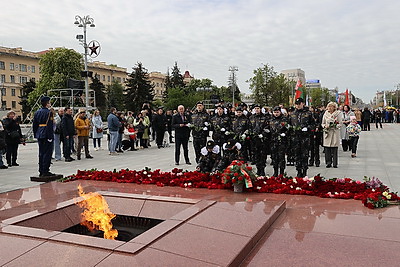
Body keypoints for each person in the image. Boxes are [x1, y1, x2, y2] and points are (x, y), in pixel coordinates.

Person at [288, 98, 315, 178]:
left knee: (305, 155)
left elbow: (313, 124)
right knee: (297, 155)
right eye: (296, 104)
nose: (298, 105)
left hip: (305, 138)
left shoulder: (308, 113)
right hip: (295, 137)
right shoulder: (292, 114)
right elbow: (289, 124)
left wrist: (308, 128)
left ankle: (304, 170)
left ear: (303, 103)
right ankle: (298, 170)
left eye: (299, 104)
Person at [32, 96, 55, 177]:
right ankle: (45, 170)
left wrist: (36, 133)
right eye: (49, 102)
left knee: (41, 153)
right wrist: (50, 136)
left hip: (39, 133)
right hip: (46, 133)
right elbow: (49, 125)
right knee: (47, 153)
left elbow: (34, 124)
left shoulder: (37, 112)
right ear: (47, 103)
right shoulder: (49, 112)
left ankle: (41, 170)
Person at [249, 104, 269, 176]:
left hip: (262, 140)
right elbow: (249, 127)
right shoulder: (251, 118)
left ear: (260, 109)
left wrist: (263, 134)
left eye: (258, 108)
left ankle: (262, 169)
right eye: (255, 108)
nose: (257, 110)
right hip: (254, 140)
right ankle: (258, 169)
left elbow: (267, 127)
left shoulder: (265, 117)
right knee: (256, 155)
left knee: (263, 155)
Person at [269, 106, 289, 177]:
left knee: (281, 157)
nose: (276, 114)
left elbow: (288, 129)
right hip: (273, 141)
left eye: (277, 112)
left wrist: (285, 134)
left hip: (281, 141)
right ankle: (275, 171)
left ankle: (281, 172)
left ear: (280, 112)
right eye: (275, 112)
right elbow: (267, 128)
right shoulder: (270, 119)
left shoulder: (284, 119)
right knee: (274, 157)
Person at [322, 102, 343, 168]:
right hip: (327, 132)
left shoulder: (338, 114)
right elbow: (323, 123)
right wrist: (325, 126)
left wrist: (335, 125)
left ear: (334, 107)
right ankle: (328, 162)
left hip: (334, 132)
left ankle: (335, 163)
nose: (330, 108)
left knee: (334, 149)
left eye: (331, 106)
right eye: (329, 106)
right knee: (327, 148)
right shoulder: (325, 114)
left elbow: (340, 123)